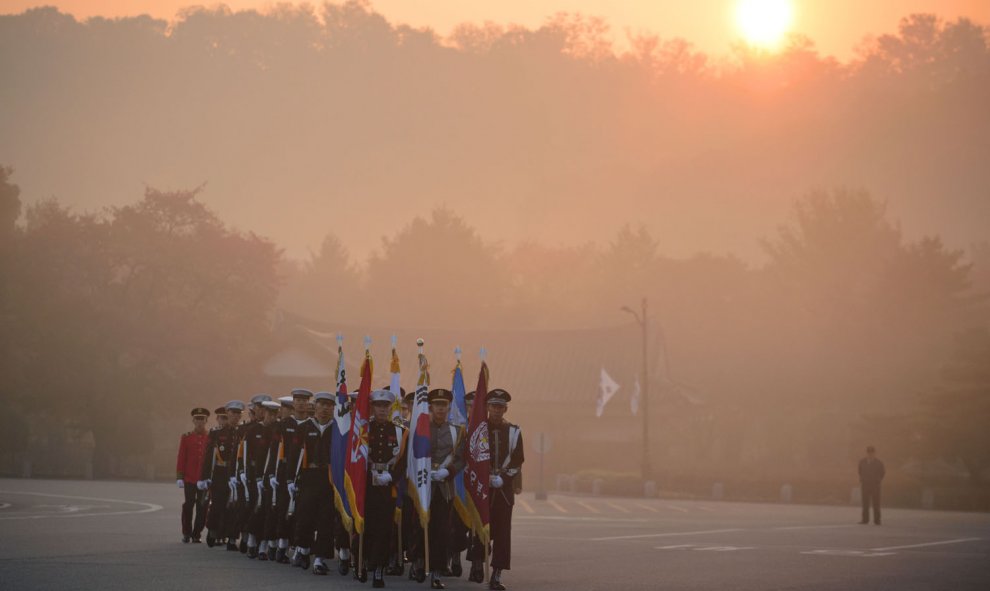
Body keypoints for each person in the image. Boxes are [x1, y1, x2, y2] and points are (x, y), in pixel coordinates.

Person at [468, 388, 523, 591]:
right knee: (480, 528)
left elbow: (518, 460)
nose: (496, 410)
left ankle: (497, 573)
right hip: (483, 486)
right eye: (493, 406)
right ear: (487, 407)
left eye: (500, 407)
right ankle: (477, 563)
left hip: (503, 490)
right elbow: (472, 457)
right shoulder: (479, 430)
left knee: (502, 533)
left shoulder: (514, 432)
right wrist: (484, 477)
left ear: (505, 409)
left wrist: (504, 478)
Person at [411, 388, 465, 590]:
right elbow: (413, 455)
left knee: (441, 531)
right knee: (419, 526)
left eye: (444, 405)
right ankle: (417, 560)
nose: (440, 409)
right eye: (437, 405)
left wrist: (448, 472)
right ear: (430, 407)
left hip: (444, 487)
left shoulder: (456, 431)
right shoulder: (420, 428)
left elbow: (460, 459)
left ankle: (435, 572)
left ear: (449, 406)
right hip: (423, 484)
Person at [365, 389, 407, 588]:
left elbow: (404, 460)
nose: (382, 410)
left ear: (391, 408)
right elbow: (356, 458)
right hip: (368, 484)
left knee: (384, 528)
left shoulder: (399, 431)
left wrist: (392, 476)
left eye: (385, 406)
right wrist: (369, 474)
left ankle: (379, 568)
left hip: (388, 485)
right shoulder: (364, 430)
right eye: (378, 406)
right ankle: (365, 561)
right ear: (373, 407)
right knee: (369, 526)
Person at [292, 391, 337, 574]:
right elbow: (294, 454)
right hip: (308, 477)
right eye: (321, 404)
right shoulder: (304, 427)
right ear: (315, 406)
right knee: (305, 517)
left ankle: (319, 559)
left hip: (328, 478)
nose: (325, 408)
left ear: (333, 408)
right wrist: (290, 479)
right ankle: (302, 549)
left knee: (326, 520)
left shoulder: (337, 429)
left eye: (329, 405)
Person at [271, 388, 313, 563]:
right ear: (293, 403)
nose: (301, 403)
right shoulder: (284, 424)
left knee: (302, 512)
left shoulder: (311, 424)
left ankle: (298, 548)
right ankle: (281, 546)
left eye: (304, 400)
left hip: (305, 472)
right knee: (283, 510)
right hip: (284, 471)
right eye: (298, 400)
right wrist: (270, 474)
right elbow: (274, 451)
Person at [198, 400, 243, 548]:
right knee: (217, 504)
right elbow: (208, 456)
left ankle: (231, 538)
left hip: (236, 474)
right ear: (227, 413)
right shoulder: (217, 433)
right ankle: (212, 530)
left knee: (234, 507)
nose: (235, 417)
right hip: (220, 473)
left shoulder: (243, 432)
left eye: (238, 414)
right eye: (232, 413)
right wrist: (204, 477)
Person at [176, 407, 210, 543]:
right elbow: (181, 457)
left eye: (202, 419)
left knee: (203, 507)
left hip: (204, 479)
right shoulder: (186, 437)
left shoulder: (211, 437)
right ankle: (186, 532)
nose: (200, 422)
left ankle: (197, 533)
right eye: (197, 419)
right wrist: (180, 477)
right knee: (188, 505)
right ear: (193, 420)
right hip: (190, 478)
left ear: (206, 421)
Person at [858, 445, 886, 525]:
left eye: (872, 453)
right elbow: (859, 471)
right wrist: (863, 479)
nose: (870, 454)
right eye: (869, 452)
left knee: (876, 503)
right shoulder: (862, 462)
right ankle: (865, 520)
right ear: (866, 453)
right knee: (865, 503)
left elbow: (882, 472)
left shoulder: (879, 463)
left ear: (874, 453)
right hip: (865, 484)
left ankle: (877, 520)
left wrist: (878, 480)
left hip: (875, 485)